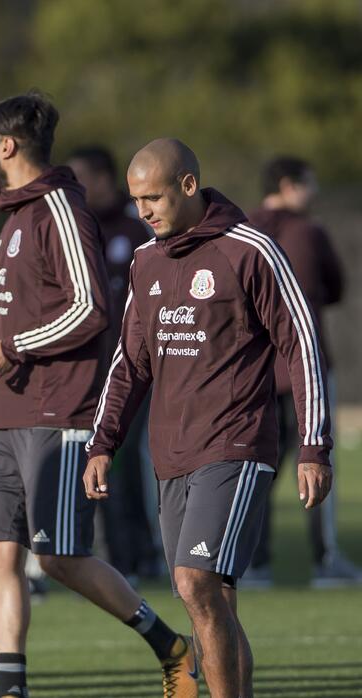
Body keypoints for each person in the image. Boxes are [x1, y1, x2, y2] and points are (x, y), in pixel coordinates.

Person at [0, 94, 196, 698]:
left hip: (54, 410)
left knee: (61, 557)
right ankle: (10, 689)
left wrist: (10, 347)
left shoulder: (58, 208)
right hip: (4, 414)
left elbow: (92, 308)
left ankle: (169, 646)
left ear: (8, 145)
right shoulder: (15, 214)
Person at [86, 138, 333, 697]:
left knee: (195, 582)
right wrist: (104, 443)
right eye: (136, 199)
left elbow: (301, 343)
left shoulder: (249, 250)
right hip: (172, 453)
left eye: (153, 197)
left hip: (237, 445)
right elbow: (129, 364)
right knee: (210, 599)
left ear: (189, 186)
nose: (143, 210)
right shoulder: (146, 262)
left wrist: (314, 446)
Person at [244, 156, 357, 589]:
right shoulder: (309, 231)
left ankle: (255, 563)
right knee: (317, 461)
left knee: (258, 468)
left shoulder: (242, 230)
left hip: (255, 372)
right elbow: (336, 289)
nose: (314, 192)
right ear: (289, 185)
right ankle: (326, 560)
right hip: (305, 369)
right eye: (309, 183)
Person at [66, 146, 162, 584]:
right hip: (96, 374)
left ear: (104, 178)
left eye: (83, 178)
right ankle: (119, 557)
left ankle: (148, 553)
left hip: (146, 373)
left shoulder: (138, 227)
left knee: (135, 460)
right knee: (103, 461)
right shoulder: (79, 231)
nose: (78, 189)